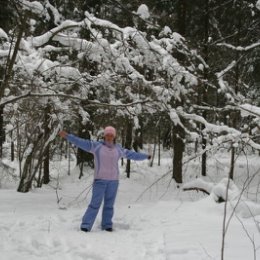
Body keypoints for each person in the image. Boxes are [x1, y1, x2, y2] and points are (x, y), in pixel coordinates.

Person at [59, 126, 151, 232]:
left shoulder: (118, 149)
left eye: (111, 135)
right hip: (100, 181)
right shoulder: (96, 146)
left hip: (113, 181)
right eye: (107, 134)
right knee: (95, 204)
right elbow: (80, 142)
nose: (109, 137)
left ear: (114, 136)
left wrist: (145, 156)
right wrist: (67, 136)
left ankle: (107, 225)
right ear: (104, 136)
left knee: (109, 205)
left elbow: (132, 155)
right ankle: (86, 225)